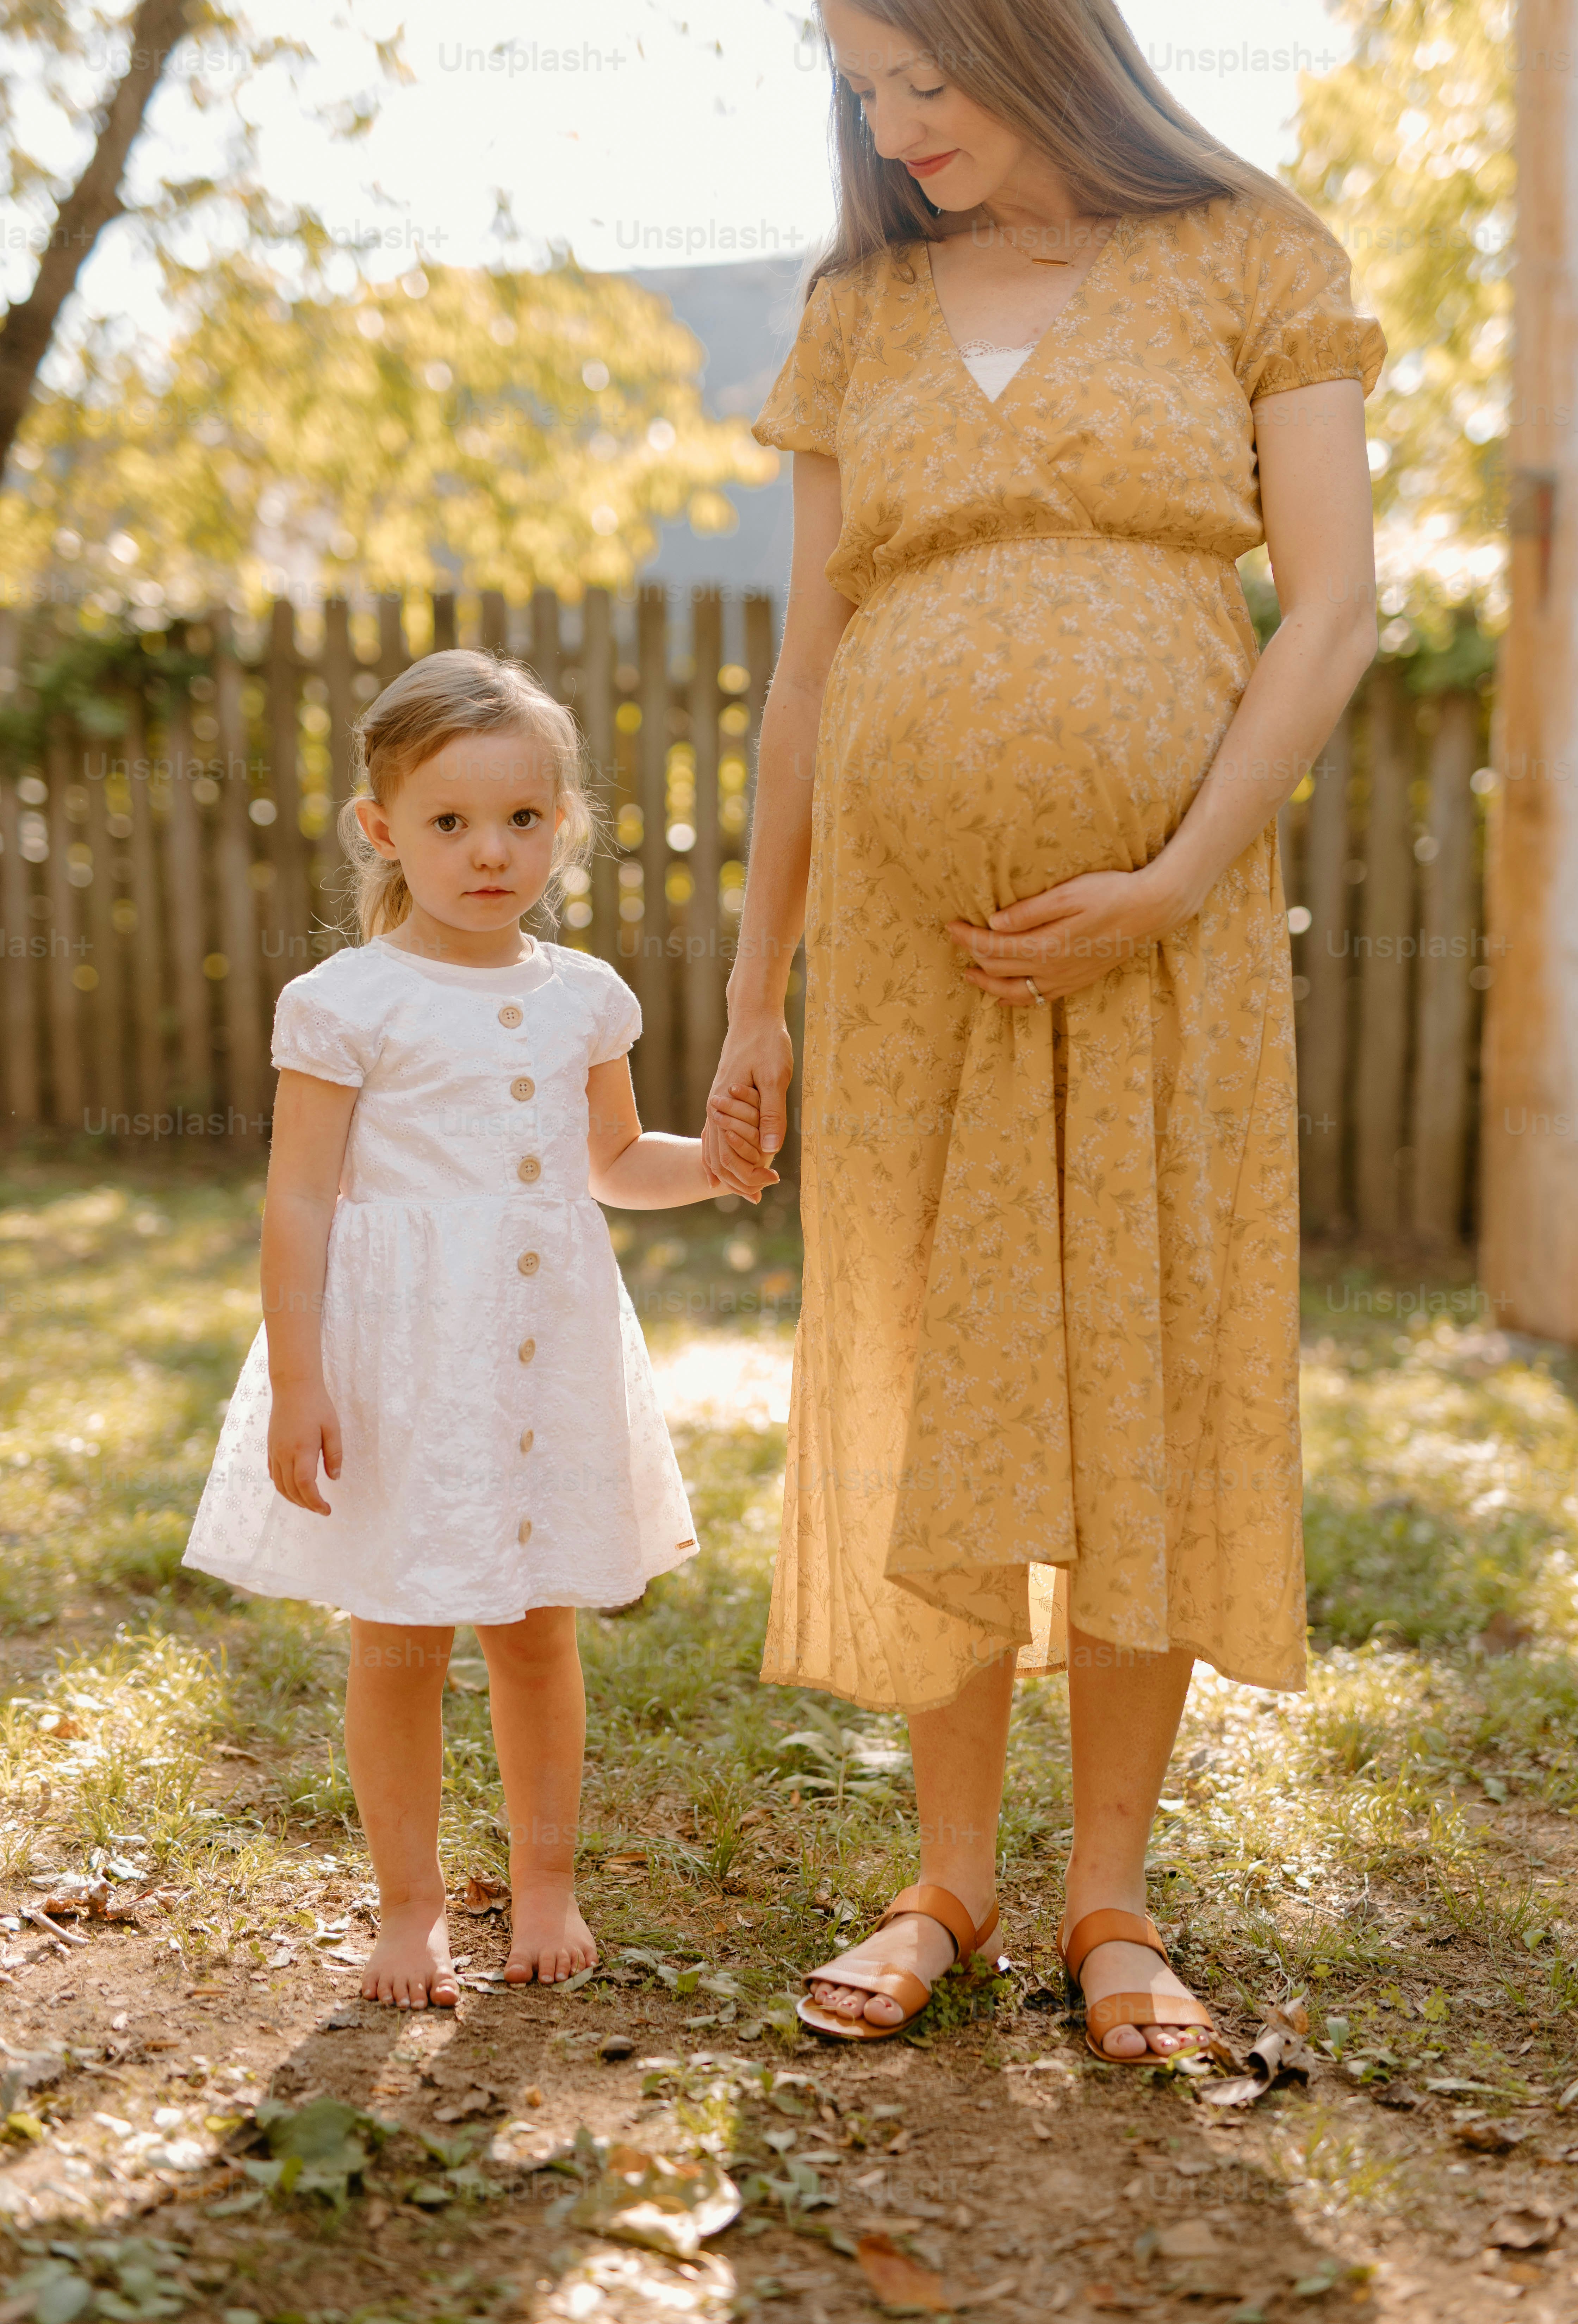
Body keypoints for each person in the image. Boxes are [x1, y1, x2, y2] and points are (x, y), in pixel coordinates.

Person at [703, 0, 1383, 2056]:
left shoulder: (1256, 254)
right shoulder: (862, 307)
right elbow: (811, 667)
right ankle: (947, 1883)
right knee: (932, 1367)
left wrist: (1174, 879)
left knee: (1134, 1364)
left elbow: (1336, 608)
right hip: (912, 955)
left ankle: (1110, 1900)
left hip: (1164, 941)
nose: (895, 123)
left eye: (929, 75)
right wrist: (755, 991)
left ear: (1044, 39)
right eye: (863, 87)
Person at [186, 649, 775, 2009]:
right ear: (382, 830)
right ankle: (410, 1909)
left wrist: (717, 1165)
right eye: (449, 823)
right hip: (398, 1358)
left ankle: (550, 1885)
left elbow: (611, 1162)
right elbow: (299, 1197)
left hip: (539, 1346)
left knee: (536, 1628)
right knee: (399, 1637)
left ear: (564, 827)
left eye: (521, 820)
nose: (489, 851)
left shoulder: (585, 995)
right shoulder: (346, 1002)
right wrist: (298, 1380)